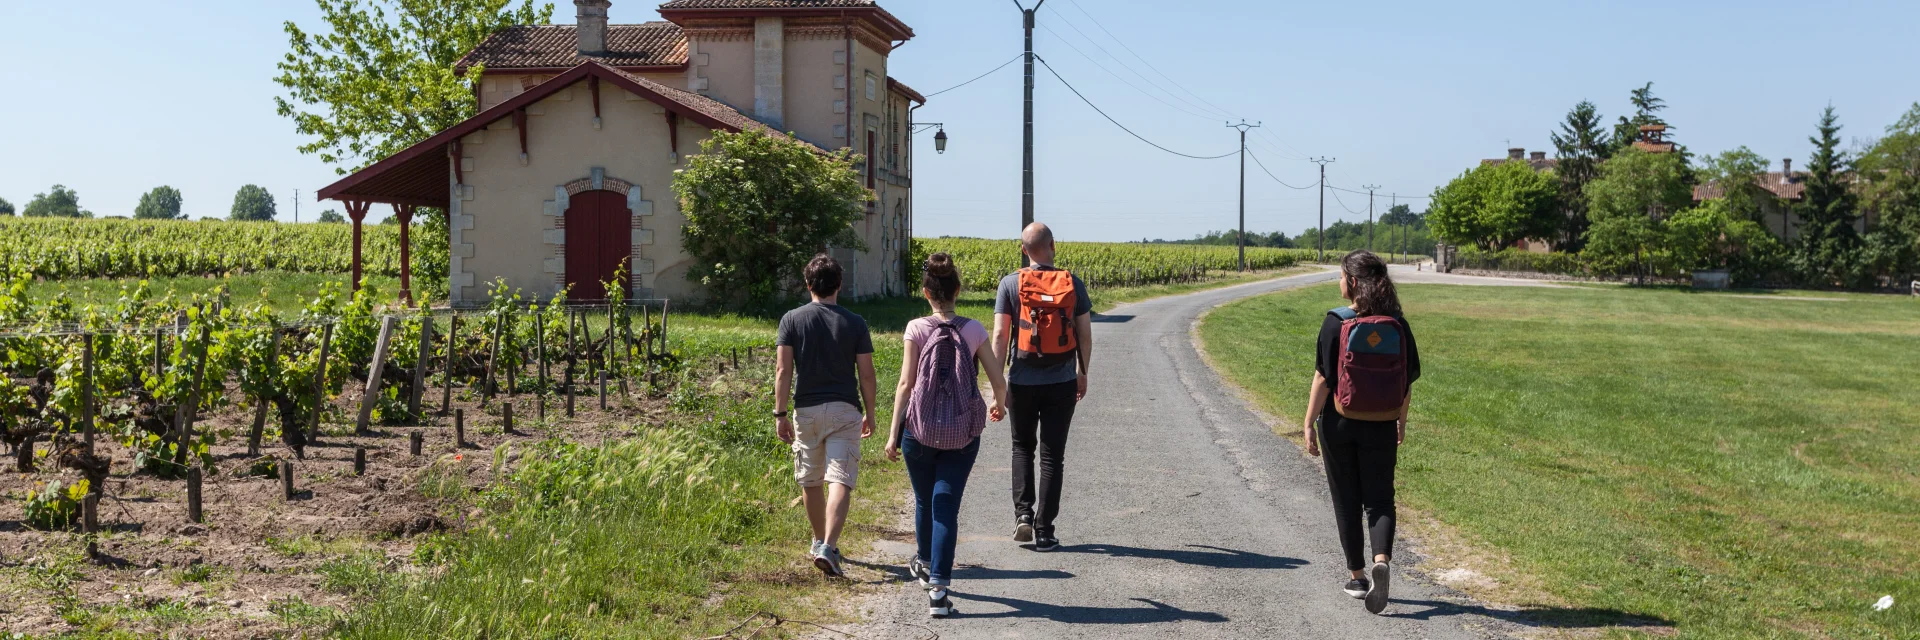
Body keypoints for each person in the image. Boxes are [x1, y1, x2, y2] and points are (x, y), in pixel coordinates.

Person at [885, 253, 1009, 618]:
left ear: (927, 293)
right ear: (958, 289)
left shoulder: (916, 328)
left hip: (918, 433)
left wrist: (894, 434)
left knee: (925, 501)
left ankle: (924, 563)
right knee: (946, 507)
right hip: (961, 434)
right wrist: (998, 404)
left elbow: (906, 384)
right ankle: (938, 589)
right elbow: (996, 379)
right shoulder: (973, 329)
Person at [1302, 250, 1421, 614]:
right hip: (1382, 422)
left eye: (1340, 276)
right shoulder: (1396, 324)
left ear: (1353, 282)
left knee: (1346, 499)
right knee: (1380, 499)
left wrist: (1308, 422)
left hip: (1339, 422)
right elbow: (1406, 378)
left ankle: (1357, 577)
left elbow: (1323, 377)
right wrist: (1400, 418)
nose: (1338, 282)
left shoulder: (1335, 322)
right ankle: (1381, 558)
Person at [774, 254, 879, 578]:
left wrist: (780, 414)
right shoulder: (856, 322)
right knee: (841, 478)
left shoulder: (791, 320)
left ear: (808, 285)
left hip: (805, 410)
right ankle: (828, 546)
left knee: (811, 479)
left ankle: (820, 539)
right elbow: (867, 374)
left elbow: (783, 370)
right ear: (840, 285)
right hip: (845, 410)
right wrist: (871, 413)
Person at [991, 222, 1093, 552]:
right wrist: (1082, 371)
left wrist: (997, 386)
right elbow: (1085, 334)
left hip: (1021, 380)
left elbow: (999, 336)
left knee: (1022, 447)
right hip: (1062, 381)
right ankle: (1045, 530)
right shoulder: (1072, 283)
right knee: (1052, 456)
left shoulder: (1010, 284)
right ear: (1053, 245)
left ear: (1024, 250)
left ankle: (1023, 516)